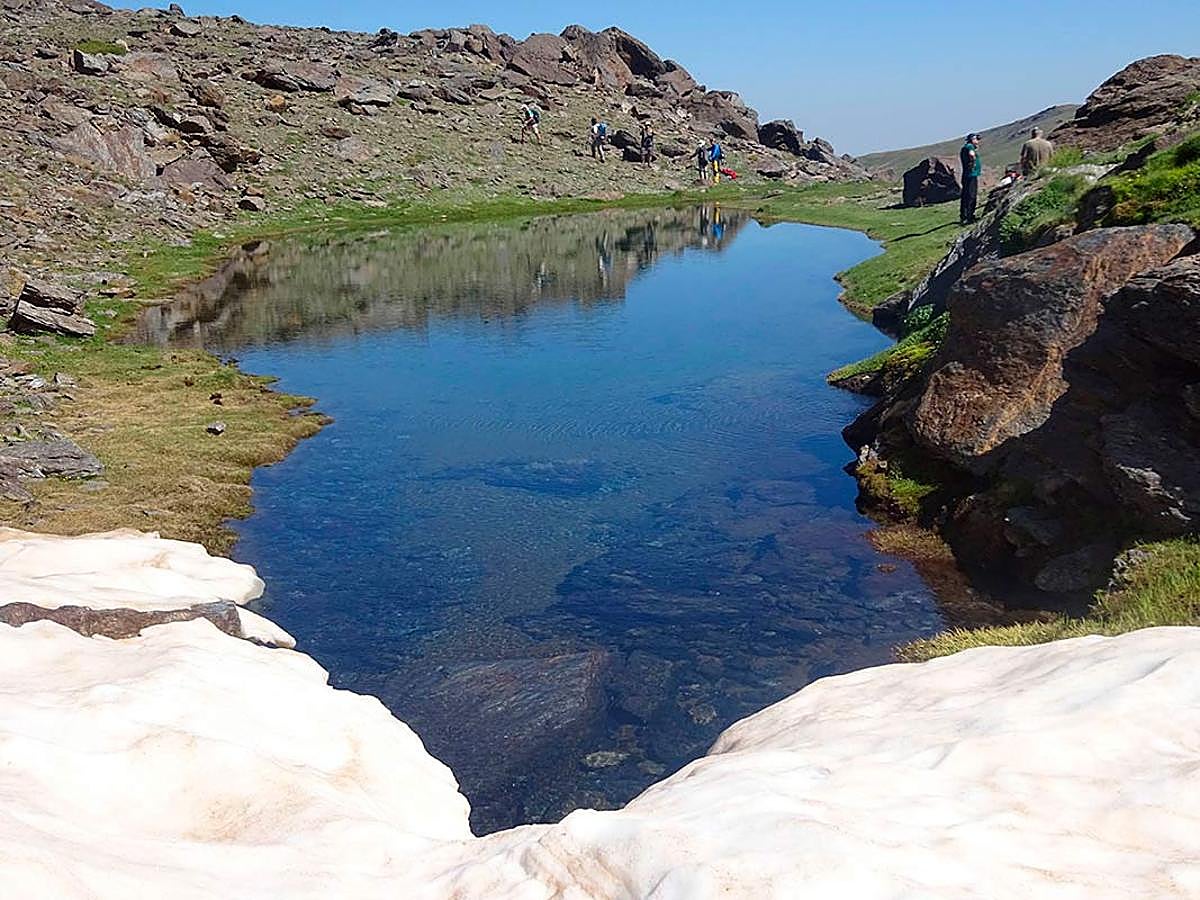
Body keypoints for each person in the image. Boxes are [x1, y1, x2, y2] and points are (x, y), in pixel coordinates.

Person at [959, 132, 982, 225]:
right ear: (972, 140)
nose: (977, 142)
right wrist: (972, 163)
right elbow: (971, 154)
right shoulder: (969, 146)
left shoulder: (966, 147)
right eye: (976, 140)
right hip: (971, 175)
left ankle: (964, 215)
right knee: (971, 196)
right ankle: (969, 216)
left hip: (967, 175)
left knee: (965, 195)